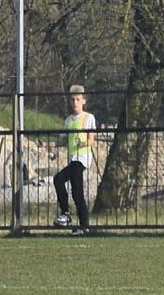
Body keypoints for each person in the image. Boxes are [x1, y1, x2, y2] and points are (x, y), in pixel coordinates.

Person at [53, 84, 96, 235]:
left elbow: (91, 140)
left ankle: (66, 214)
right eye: (72, 99)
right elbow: (63, 139)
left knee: (59, 179)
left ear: (84, 101)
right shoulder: (68, 120)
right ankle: (84, 226)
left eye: (78, 99)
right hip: (72, 160)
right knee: (77, 192)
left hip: (82, 159)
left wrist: (82, 143)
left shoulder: (88, 118)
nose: (75, 102)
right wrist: (51, 145)